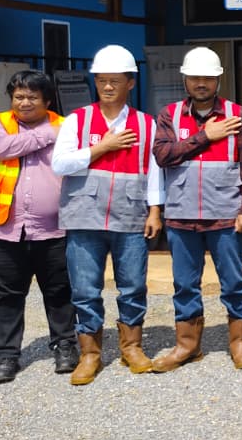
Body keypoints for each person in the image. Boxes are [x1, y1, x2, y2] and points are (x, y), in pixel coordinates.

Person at [52, 44, 164, 385]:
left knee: (132, 286)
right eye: (102, 81)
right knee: (85, 288)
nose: (108, 87)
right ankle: (90, 354)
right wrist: (102, 147)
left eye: (116, 81)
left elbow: (156, 171)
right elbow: (60, 164)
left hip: (130, 216)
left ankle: (132, 348)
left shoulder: (146, 125)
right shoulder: (77, 120)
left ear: (131, 82)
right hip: (84, 216)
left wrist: (155, 211)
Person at [151, 46, 242, 373]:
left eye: (208, 78)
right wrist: (205, 136)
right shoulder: (169, 114)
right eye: (195, 77)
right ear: (185, 79)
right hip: (181, 215)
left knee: (233, 281)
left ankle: (240, 341)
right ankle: (187, 344)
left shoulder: (237, 115)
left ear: (218, 80)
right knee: (184, 283)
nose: (201, 83)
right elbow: (163, 155)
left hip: (225, 215)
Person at [0, 70, 76, 384]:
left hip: (55, 228)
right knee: (6, 295)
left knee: (60, 291)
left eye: (32, 96)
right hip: (4, 228)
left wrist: (42, 136)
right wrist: (45, 136)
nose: (24, 102)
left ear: (47, 100)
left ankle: (65, 346)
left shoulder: (67, 126)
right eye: (19, 96)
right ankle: (6, 356)